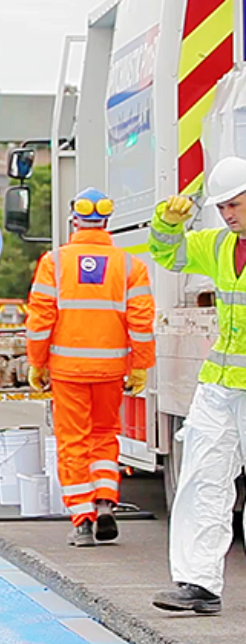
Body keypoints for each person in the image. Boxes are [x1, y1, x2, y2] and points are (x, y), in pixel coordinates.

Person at [26, 187, 155, 547]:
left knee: (73, 441)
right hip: (111, 371)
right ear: (107, 224)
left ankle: (82, 520)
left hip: (68, 371)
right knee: (104, 437)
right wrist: (141, 366)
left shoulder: (55, 262)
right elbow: (142, 322)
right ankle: (104, 501)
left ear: (74, 222)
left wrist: (37, 362)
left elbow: (40, 319)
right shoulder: (131, 266)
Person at [148, 156, 246, 615]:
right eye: (223, 207)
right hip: (220, 385)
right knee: (203, 479)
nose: (228, 214)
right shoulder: (219, 246)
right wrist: (166, 224)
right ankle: (198, 584)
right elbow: (171, 254)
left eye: (235, 205)